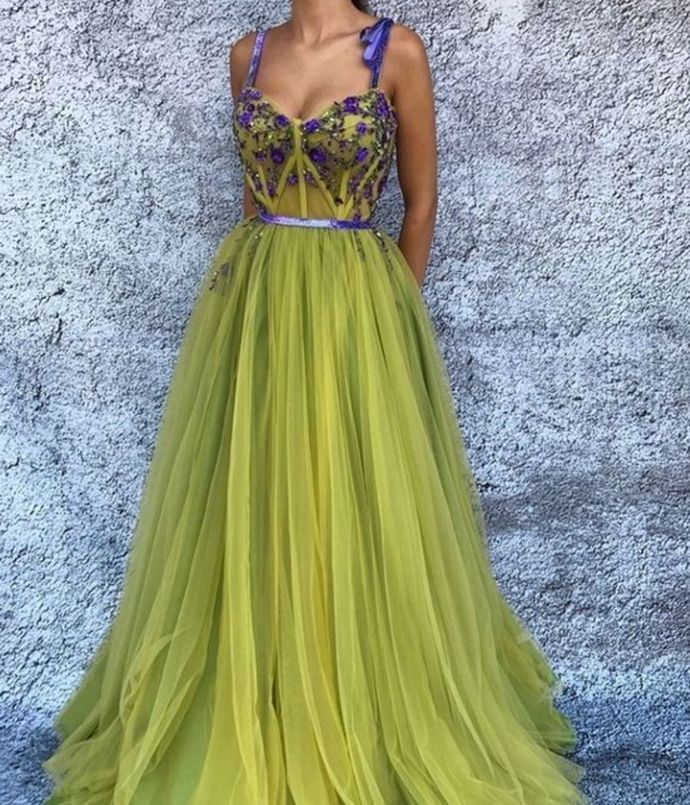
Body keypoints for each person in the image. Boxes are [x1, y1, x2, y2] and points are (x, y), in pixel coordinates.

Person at [42, 3, 587, 803]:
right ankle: (260, 704)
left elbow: (420, 203)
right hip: (256, 303)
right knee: (257, 501)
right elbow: (254, 199)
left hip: (354, 306)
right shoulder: (248, 54)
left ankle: (355, 708)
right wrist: (248, 316)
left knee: (351, 501)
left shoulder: (395, 51)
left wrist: (392, 317)